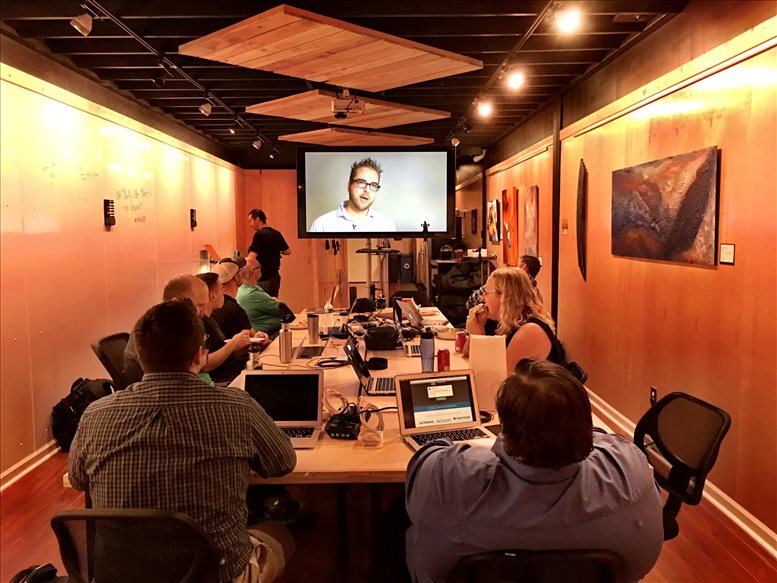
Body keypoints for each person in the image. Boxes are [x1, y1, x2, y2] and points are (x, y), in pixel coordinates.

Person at [69, 300, 297, 583]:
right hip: (217, 575)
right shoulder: (237, 407)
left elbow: (78, 480)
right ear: (200, 355)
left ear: (140, 356)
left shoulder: (95, 414)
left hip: (122, 575)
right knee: (281, 535)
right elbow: (283, 463)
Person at [404, 359, 663, 583]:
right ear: (583, 425)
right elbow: (641, 564)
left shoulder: (447, 477)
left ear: (506, 428)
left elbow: (422, 465)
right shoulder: (631, 471)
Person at [122, 274, 251, 385]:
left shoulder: (162, 321)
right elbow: (195, 370)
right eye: (199, 305)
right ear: (177, 301)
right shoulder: (164, 328)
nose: (203, 312)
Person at [464, 267, 563, 371]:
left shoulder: (531, 331)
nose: (482, 298)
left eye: (486, 293)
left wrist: (477, 335)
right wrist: (474, 331)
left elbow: (496, 379)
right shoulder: (505, 323)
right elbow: (467, 353)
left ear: (505, 297)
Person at [196, 271, 270, 383]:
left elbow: (225, 354)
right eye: (221, 289)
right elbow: (203, 365)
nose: (224, 293)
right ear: (212, 296)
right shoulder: (200, 324)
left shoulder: (211, 319)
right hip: (223, 381)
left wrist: (252, 343)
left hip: (233, 373)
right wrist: (233, 344)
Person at [309, 158, 396, 232]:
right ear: (348, 186)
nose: (367, 190)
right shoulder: (321, 225)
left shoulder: (387, 225)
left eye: (373, 185)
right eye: (361, 182)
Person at [466, 255, 541, 310]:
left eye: (517, 265)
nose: (514, 268)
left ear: (524, 267)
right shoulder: (536, 294)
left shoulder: (508, 283)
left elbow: (471, 302)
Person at [247, 209, 290, 298]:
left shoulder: (259, 235)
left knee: (261, 306)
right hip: (275, 277)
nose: (250, 224)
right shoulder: (276, 233)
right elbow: (287, 251)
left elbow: (251, 258)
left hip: (262, 279)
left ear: (257, 219)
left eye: (251, 221)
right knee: (272, 304)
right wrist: (275, 249)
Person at [236, 258, 282, 337]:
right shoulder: (252, 294)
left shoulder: (249, 288)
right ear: (252, 272)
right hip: (267, 335)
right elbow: (283, 310)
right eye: (259, 267)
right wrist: (276, 301)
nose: (261, 269)